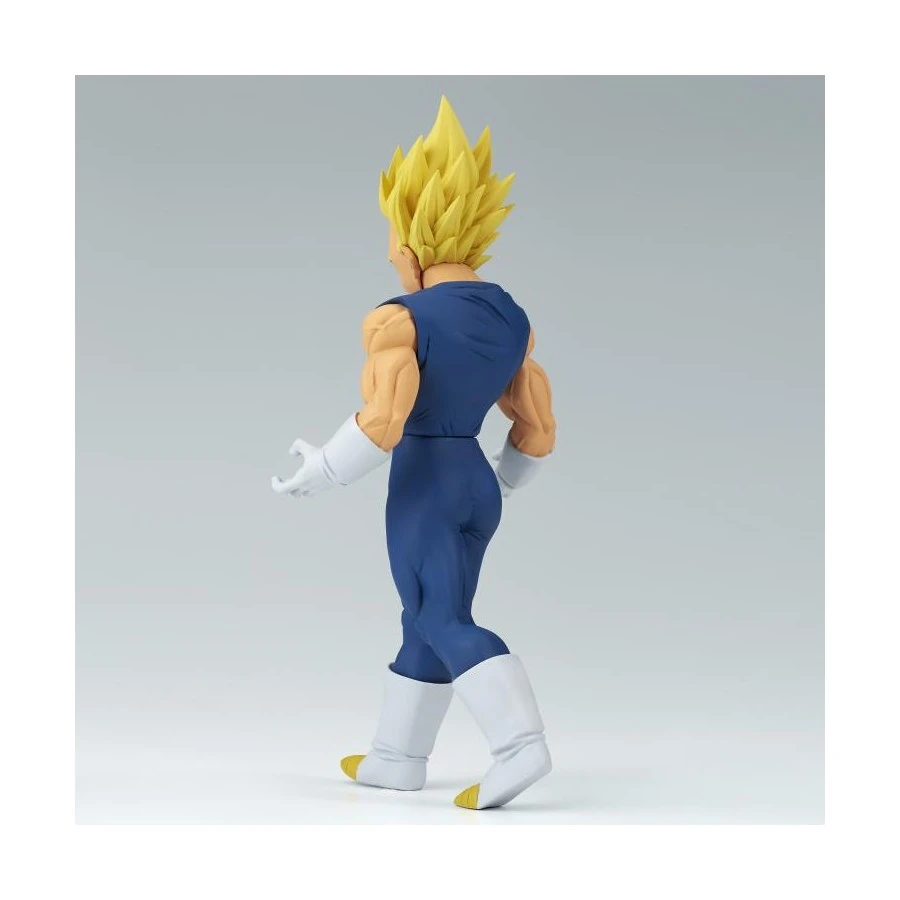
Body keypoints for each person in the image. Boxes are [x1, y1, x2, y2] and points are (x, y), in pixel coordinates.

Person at [272, 96, 556, 809]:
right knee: (426, 614)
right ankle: (396, 757)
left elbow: (384, 422)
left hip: (426, 480)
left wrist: (320, 469)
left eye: (392, 239)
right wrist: (504, 482)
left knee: (439, 613)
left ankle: (519, 746)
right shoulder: (511, 316)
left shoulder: (397, 317)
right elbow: (536, 423)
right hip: (478, 481)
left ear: (410, 242)